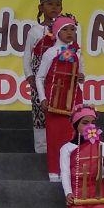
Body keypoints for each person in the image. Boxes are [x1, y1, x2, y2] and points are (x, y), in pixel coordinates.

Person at [35, 15, 84, 182]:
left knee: (73, 135)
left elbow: (80, 73)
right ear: (56, 32)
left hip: (73, 98)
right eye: (65, 29)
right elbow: (40, 77)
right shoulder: (50, 53)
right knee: (55, 137)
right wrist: (42, 98)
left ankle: (72, 171)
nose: (70, 32)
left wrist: (81, 77)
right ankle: (54, 173)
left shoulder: (77, 52)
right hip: (54, 99)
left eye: (73, 29)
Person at [59, 104, 104, 208]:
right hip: (78, 191)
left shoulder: (101, 145)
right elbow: (65, 173)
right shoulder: (67, 148)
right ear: (76, 125)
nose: (90, 126)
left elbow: (103, 175)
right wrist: (68, 193)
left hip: (96, 191)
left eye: (92, 122)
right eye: (85, 123)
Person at [22, 0, 63, 154]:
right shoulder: (35, 31)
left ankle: (60, 149)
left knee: (59, 111)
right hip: (40, 78)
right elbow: (27, 56)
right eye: (50, 4)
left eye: (58, 5)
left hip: (60, 78)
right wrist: (29, 75)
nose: (54, 7)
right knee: (40, 112)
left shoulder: (66, 29)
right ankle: (41, 150)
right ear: (41, 7)